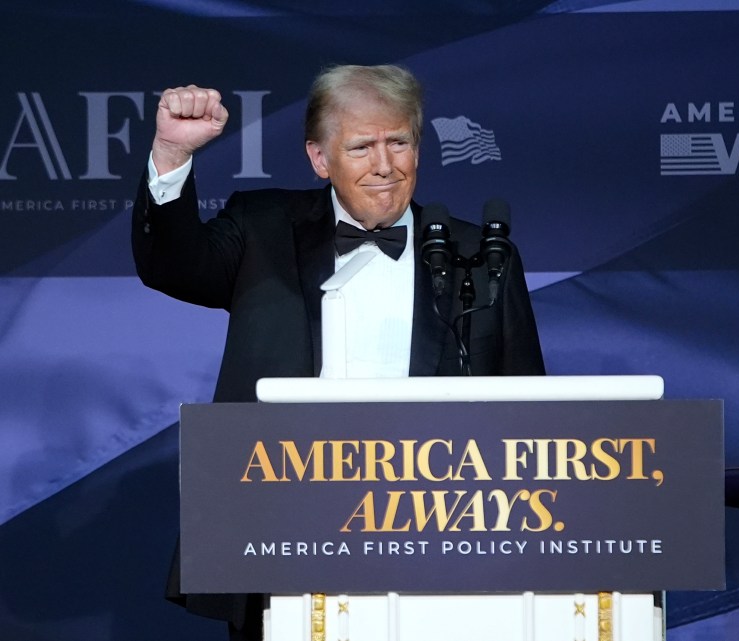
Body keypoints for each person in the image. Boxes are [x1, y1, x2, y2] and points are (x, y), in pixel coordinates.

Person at [131, 64, 545, 640]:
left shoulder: (479, 253)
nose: (384, 164)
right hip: (283, 523)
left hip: (435, 528)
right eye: (361, 147)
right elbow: (169, 265)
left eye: (399, 142)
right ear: (320, 160)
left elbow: (529, 400)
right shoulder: (263, 227)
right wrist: (172, 153)